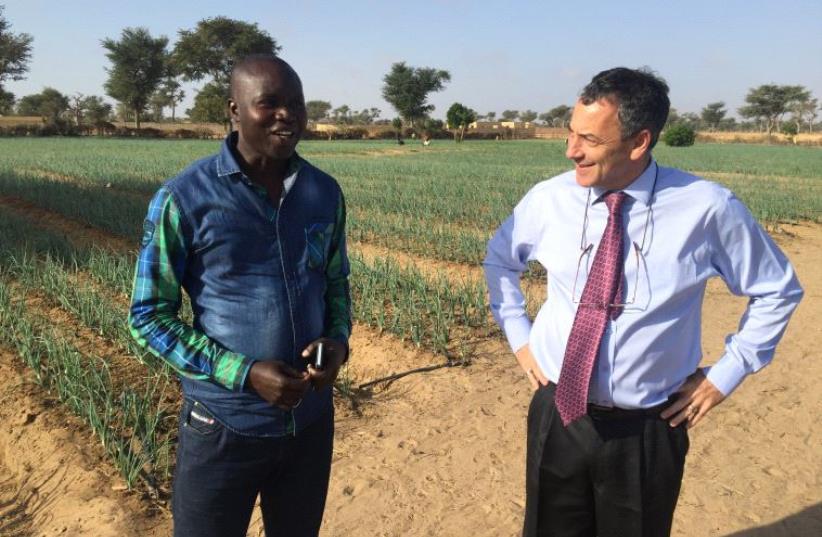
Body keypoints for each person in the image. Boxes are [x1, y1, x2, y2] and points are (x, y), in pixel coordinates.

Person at [483, 67, 803, 537]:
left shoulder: (707, 207)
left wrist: (724, 375)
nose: (571, 150)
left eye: (589, 139)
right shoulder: (549, 199)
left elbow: (777, 289)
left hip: (648, 430)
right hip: (559, 414)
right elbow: (499, 262)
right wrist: (520, 337)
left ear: (639, 142)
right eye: (571, 133)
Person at [128, 54, 351, 537]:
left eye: (295, 104)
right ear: (234, 110)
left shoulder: (323, 193)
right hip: (222, 426)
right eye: (268, 103)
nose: (286, 115)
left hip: (309, 426)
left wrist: (338, 341)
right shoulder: (185, 198)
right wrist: (245, 373)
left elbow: (335, 282)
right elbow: (147, 317)